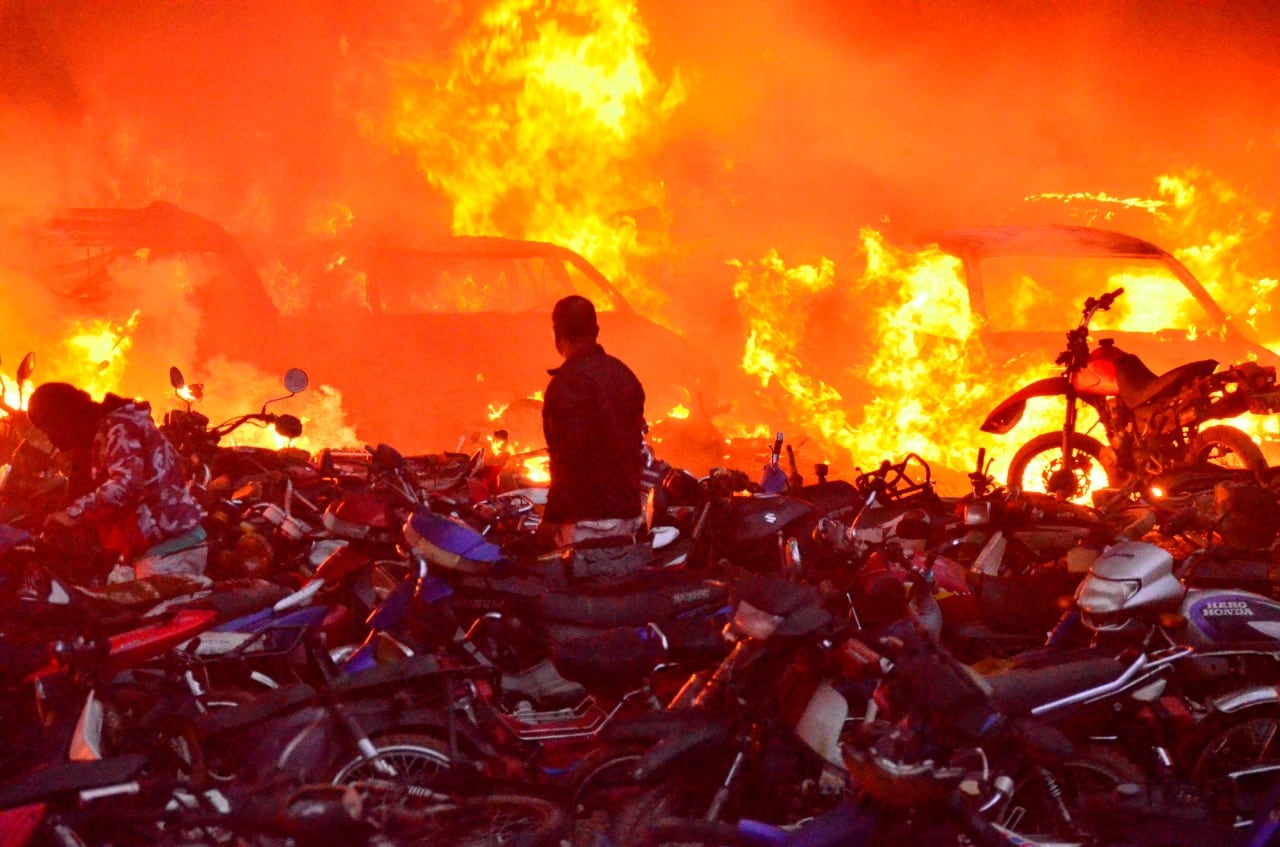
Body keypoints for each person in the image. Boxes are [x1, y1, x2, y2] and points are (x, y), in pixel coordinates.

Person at [27, 382, 208, 581]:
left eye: (49, 428)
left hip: (170, 550)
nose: (52, 438)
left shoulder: (120, 428)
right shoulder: (98, 436)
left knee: (143, 611)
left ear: (63, 417)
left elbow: (126, 486)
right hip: (144, 552)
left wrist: (72, 514)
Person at [538, 295, 647, 548]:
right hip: (629, 514)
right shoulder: (624, 376)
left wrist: (551, 520)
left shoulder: (566, 385)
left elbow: (569, 461)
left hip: (585, 524)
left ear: (557, 335)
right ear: (596, 331)